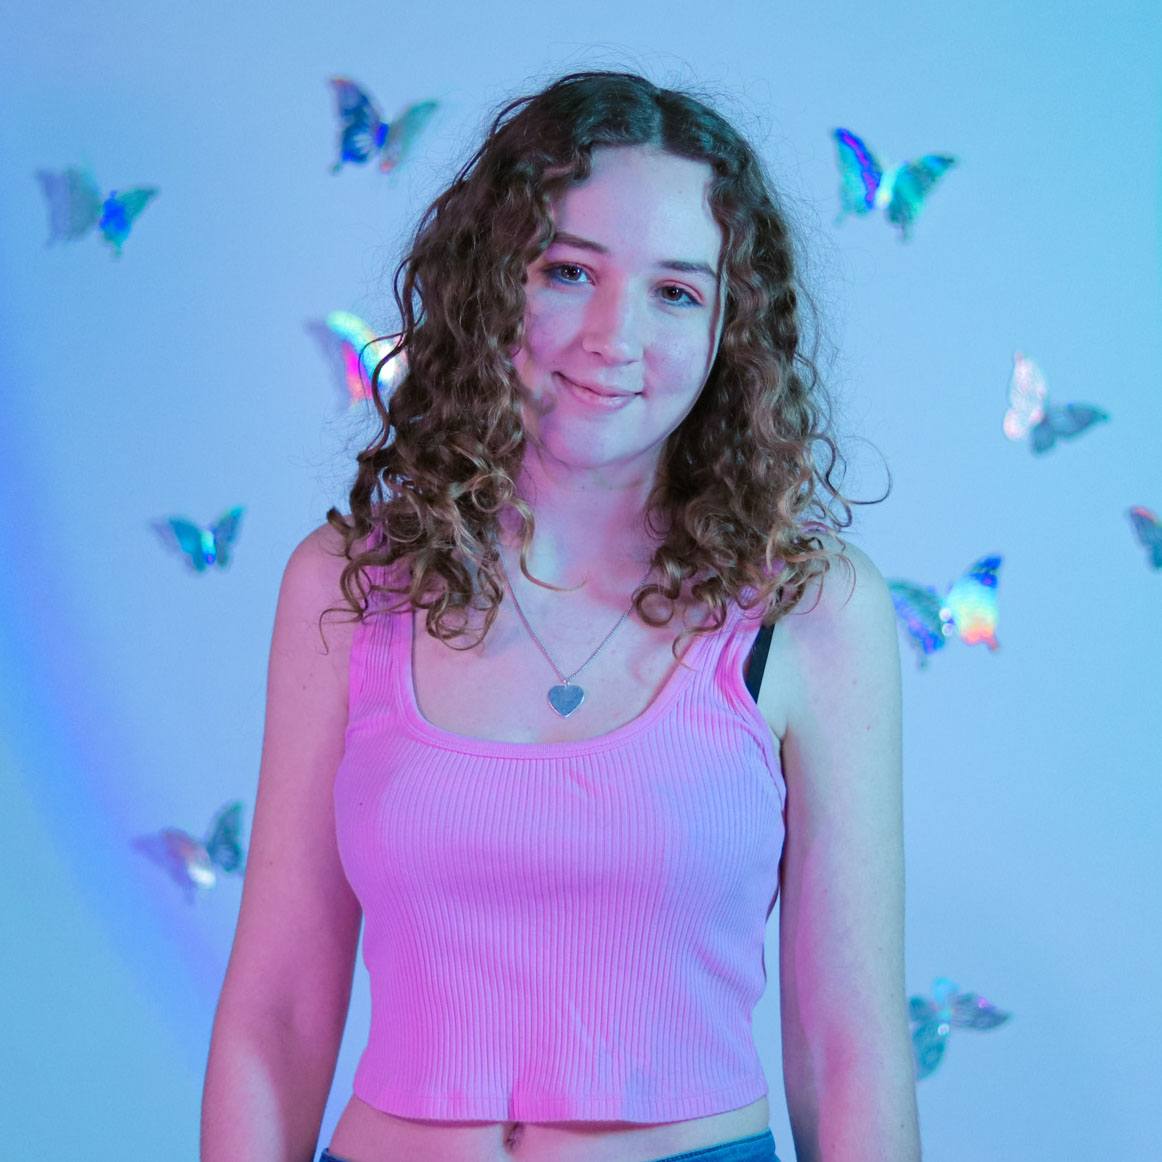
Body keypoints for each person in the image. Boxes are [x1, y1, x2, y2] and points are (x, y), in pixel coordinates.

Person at [201, 71, 921, 1162]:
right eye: (568, 271)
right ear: (492, 284)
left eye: (674, 292)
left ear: (732, 327)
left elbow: (847, 1046)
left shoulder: (812, 608)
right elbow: (280, 1010)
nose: (610, 337)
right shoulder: (348, 583)